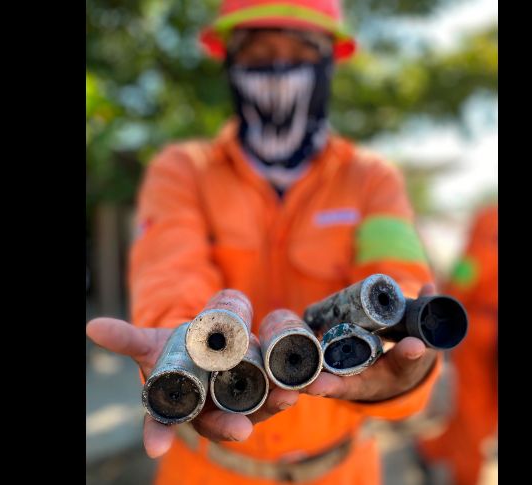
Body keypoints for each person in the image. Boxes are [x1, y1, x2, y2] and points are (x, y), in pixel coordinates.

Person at [87, 1, 444, 483]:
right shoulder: (182, 172)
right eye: (259, 51)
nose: (278, 67)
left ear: (330, 61)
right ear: (229, 61)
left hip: (343, 469)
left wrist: (410, 364)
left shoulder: (371, 180)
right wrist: (184, 358)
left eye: (299, 50)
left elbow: (398, 287)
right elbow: (170, 278)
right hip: (207, 471)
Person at [417, 204, 498, 485]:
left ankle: (464, 475)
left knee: (472, 409)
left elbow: (469, 268)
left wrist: (449, 300)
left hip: (483, 328)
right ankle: (435, 450)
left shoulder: (490, 218)